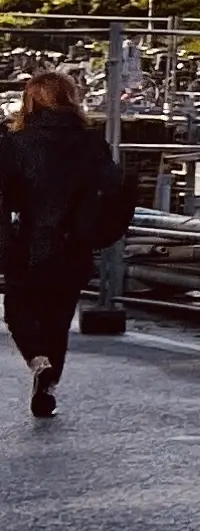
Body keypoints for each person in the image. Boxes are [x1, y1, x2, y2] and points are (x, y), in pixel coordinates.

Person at [5, 71, 128, 420]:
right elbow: (112, 181)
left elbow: (8, 194)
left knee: (18, 309)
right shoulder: (90, 142)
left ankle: (37, 360)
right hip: (75, 243)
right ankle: (47, 387)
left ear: (30, 101)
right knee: (58, 318)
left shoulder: (17, 143)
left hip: (30, 241)